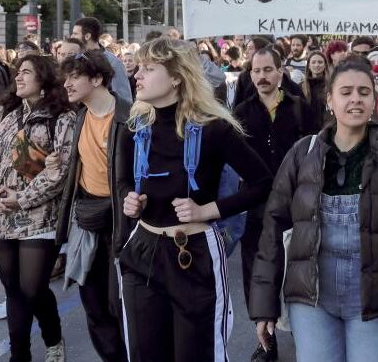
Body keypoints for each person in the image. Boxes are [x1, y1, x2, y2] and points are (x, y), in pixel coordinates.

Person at [250, 57, 378, 362]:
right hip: (311, 301)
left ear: (374, 100)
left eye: (364, 92)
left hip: (374, 302)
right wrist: (263, 304)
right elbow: (272, 229)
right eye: (346, 92)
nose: (355, 99)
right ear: (330, 100)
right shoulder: (302, 154)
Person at [117, 38, 273, 361]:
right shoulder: (134, 129)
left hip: (194, 254)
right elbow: (123, 182)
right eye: (139, 68)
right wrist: (128, 199)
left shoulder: (214, 128)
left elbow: (262, 183)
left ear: (176, 77)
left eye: (149, 68)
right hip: (143, 251)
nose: (137, 75)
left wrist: (207, 210)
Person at [0, 54, 75, 362]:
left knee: (32, 287)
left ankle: (53, 338)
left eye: (26, 72)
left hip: (40, 217)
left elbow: (60, 173)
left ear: (44, 78)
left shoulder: (62, 117)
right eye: (17, 73)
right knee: (13, 289)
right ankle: (20, 355)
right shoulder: (3, 113)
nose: (19, 78)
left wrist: (21, 198)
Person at [233, 47, 320, 362]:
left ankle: (305, 334)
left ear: (280, 72)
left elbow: (315, 152)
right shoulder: (241, 112)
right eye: (256, 71)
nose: (262, 76)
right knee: (256, 274)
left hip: (295, 206)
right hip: (255, 207)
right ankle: (266, 342)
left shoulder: (298, 108)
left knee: (296, 272)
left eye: (267, 69)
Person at [53, 51, 131, 362]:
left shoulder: (130, 118)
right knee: (94, 303)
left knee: (121, 303)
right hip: (87, 219)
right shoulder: (80, 116)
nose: (67, 84)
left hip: (122, 221)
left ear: (97, 79)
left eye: (75, 77)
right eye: (66, 77)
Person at [73, 17, 133, 101]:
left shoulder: (113, 63)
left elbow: (124, 99)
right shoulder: (75, 59)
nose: (72, 37)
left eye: (75, 34)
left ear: (87, 36)